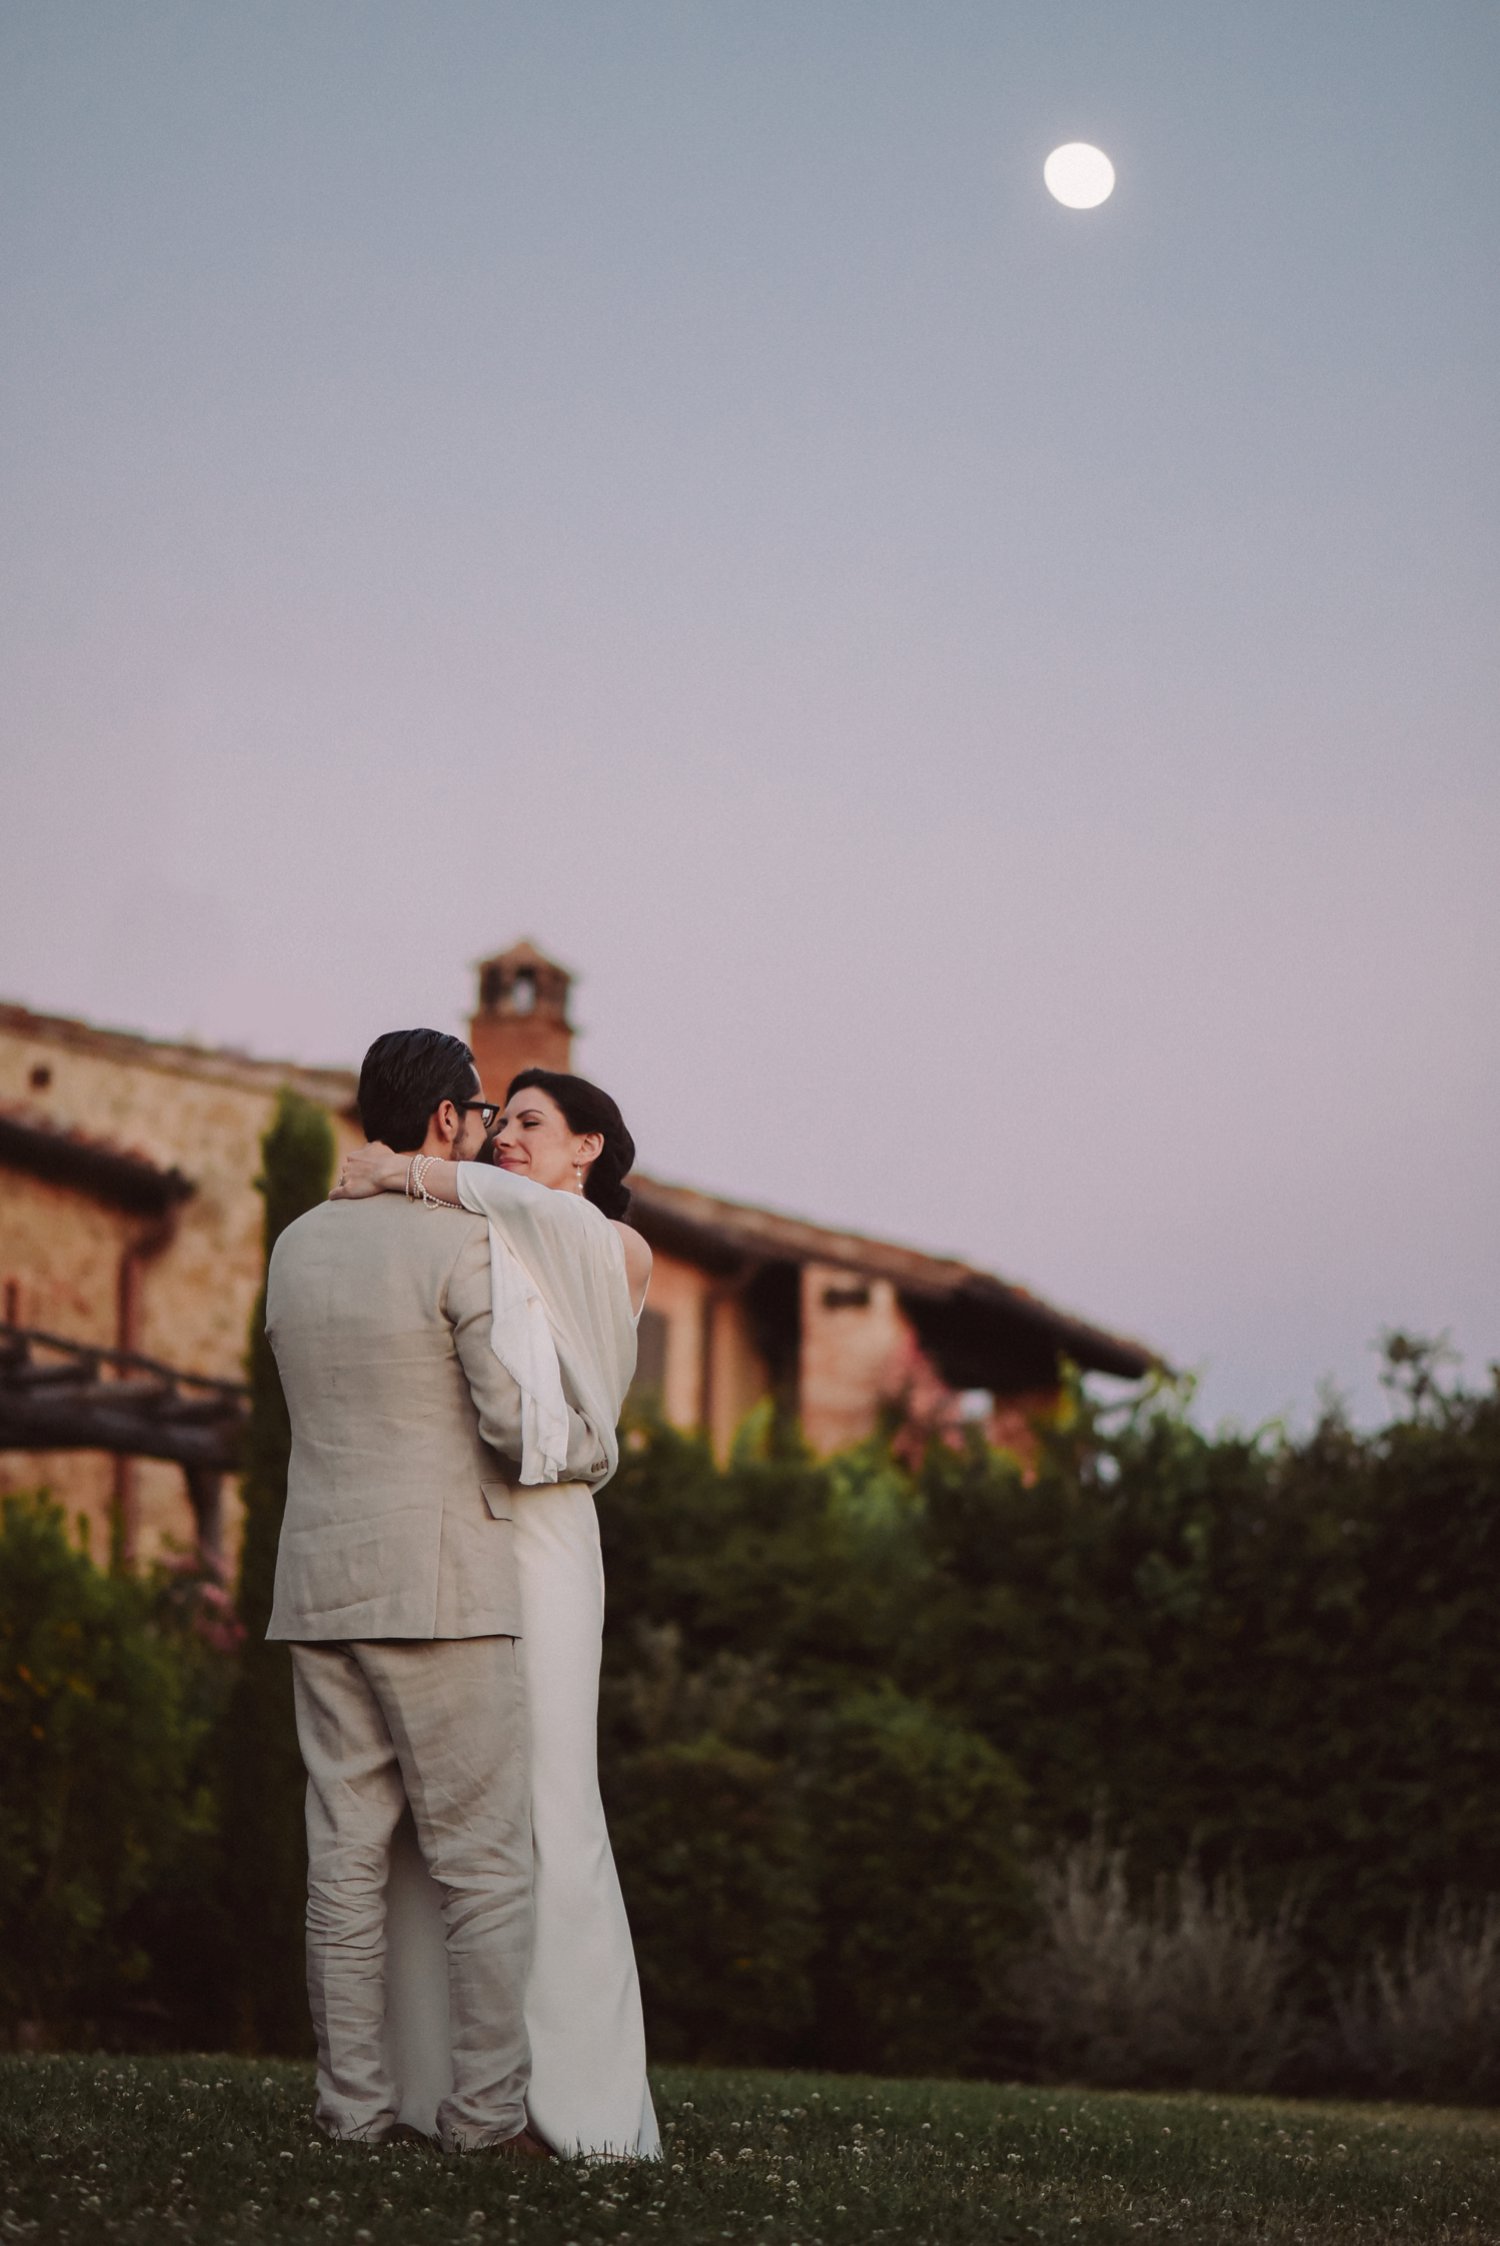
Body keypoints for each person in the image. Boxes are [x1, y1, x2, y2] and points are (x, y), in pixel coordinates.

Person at [265, 1028, 610, 2155]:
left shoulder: (295, 1245)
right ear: (447, 1121)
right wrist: (593, 1448)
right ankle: (485, 2116)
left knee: (344, 1863)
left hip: (318, 1584)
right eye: (476, 1110)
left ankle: (352, 2111)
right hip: (443, 1588)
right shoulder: (459, 1244)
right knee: (485, 1866)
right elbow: (515, 1426)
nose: (483, 1126)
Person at [333, 1065, 660, 2161]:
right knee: (453, 1811)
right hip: (465, 1526)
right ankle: (448, 2089)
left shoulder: (607, 1244)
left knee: (548, 1802)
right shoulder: (491, 1233)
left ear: (590, 1151)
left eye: (534, 1123)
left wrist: (401, 1168)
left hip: (550, 1537)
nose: (509, 1137)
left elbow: (522, 1208)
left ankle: (580, 2099)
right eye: (502, 1119)